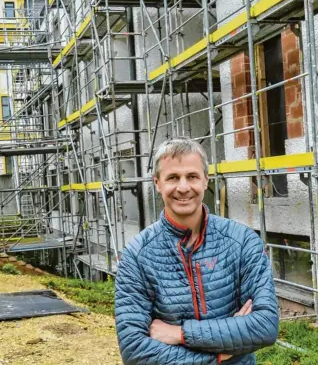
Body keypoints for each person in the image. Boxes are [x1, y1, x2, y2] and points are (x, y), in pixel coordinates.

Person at [115, 137, 279, 364]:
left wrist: (179, 333)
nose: (183, 187)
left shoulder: (242, 242)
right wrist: (220, 355)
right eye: (173, 177)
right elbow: (134, 351)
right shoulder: (136, 256)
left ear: (205, 180)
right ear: (157, 183)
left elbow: (265, 326)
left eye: (192, 176)